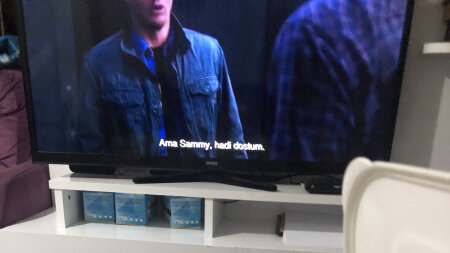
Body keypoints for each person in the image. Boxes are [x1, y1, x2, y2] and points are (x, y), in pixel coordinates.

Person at [77, 0, 246, 158]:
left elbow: (234, 140)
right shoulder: (97, 62)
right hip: (135, 186)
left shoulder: (209, 51)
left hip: (202, 186)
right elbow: (91, 151)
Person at [268, 0, 408, 164]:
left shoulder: (312, 27)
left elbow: (303, 172)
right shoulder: (404, 15)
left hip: (356, 185)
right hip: (393, 185)